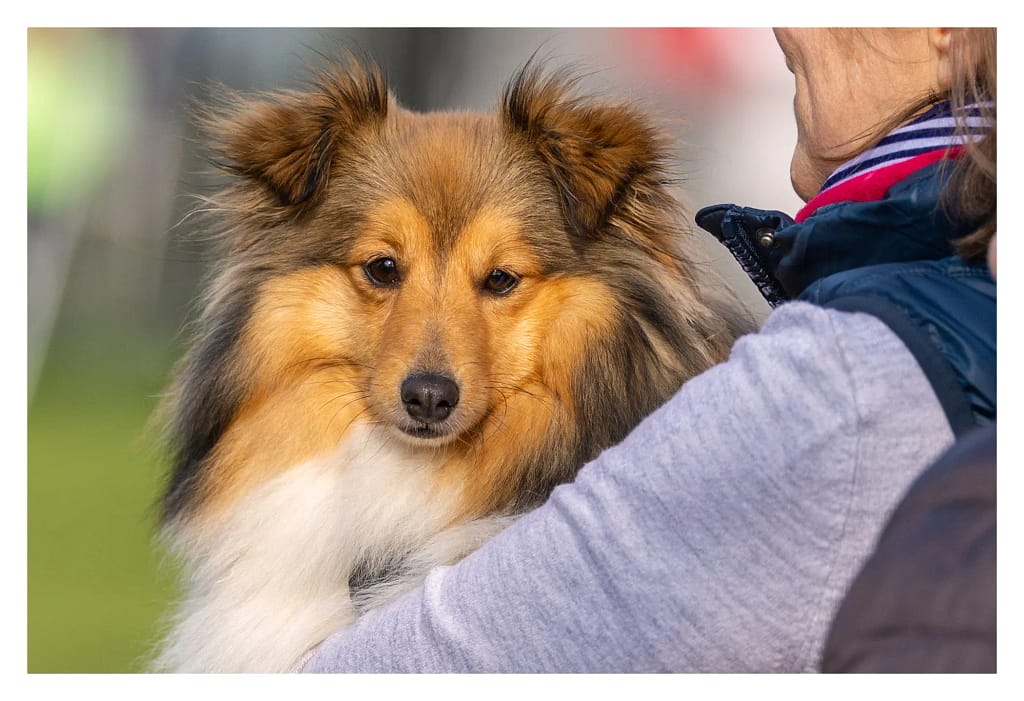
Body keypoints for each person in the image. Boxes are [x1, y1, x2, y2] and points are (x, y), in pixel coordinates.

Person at [301, 28, 996, 673]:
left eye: (502, 279)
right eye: (384, 271)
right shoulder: (959, 301)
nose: (786, 23)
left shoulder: (843, 384)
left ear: (952, 30)